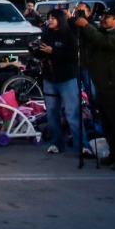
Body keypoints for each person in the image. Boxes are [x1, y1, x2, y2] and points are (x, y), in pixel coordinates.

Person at [75, 9, 115, 169]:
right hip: (102, 86)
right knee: (108, 125)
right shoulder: (101, 33)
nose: (103, 19)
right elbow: (93, 36)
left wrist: (87, 26)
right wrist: (83, 23)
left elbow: (101, 40)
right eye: (102, 17)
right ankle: (114, 153)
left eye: (107, 17)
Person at [36, 8, 79, 155]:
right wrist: (35, 50)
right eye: (48, 18)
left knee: (72, 113)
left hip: (67, 78)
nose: (50, 20)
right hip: (50, 78)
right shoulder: (46, 35)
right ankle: (56, 143)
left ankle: (81, 144)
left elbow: (72, 57)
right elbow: (41, 53)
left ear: (60, 19)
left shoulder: (69, 36)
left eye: (53, 18)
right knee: (52, 113)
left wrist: (53, 51)